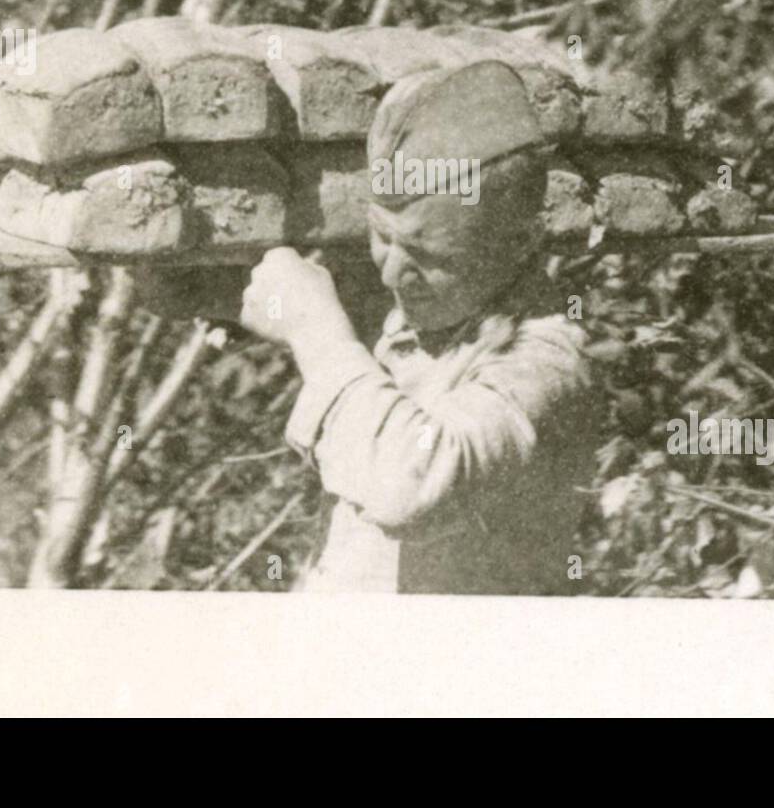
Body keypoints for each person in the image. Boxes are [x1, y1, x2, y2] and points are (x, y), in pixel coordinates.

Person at [241, 61, 599, 594]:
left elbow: (409, 484)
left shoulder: (544, 364)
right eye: (382, 236)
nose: (392, 273)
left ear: (522, 241)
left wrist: (316, 330)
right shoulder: (409, 312)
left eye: (428, 255)